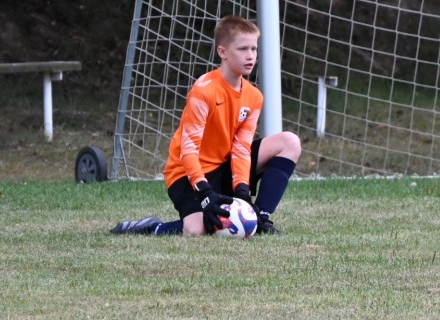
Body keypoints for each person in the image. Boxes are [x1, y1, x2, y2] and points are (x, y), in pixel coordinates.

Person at [111, 15, 302, 236]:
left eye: (254, 49)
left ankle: (261, 219)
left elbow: (241, 148)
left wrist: (242, 190)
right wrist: (204, 193)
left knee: (289, 142)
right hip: (187, 173)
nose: (250, 55)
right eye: (243, 49)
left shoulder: (254, 96)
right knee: (196, 231)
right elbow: (188, 149)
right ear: (223, 52)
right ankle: (153, 226)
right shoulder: (204, 90)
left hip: (224, 165)